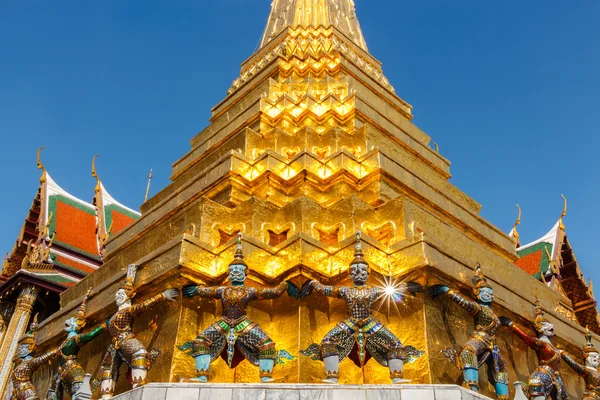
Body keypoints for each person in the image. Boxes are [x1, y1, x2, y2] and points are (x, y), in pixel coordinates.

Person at [182, 234, 289, 382]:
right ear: (228, 273)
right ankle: (202, 376)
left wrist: (285, 285)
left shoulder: (250, 291)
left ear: (246, 274)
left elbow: (273, 292)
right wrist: (195, 290)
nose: (235, 272)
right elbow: (207, 291)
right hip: (225, 322)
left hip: (243, 322)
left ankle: (265, 378)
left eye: (239, 270)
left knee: (267, 344)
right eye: (232, 270)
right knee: (200, 341)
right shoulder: (222, 290)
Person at [99, 264, 178, 399]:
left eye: (121, 294)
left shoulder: (129, 311)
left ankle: (138, 385)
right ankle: (107, 394)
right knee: (109, 367)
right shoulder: (113, 317)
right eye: (117, 294)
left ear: (129, 296)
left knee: (139, 353)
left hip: (125, 339)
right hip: (116, 344)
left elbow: (144, 306)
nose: (117, 296)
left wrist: (162, 296)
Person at [429, 265, 509, 398]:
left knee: (501, 367)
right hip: (481, 338)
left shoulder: (491, 313)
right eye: (486, 293)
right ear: (477, 294)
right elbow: (464, 303)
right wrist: (447, 291)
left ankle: (503, 397)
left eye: (491, 294)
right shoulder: (480, 309)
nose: (490, 296)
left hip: (491, 343)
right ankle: (472, 387)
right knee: (468, 352)